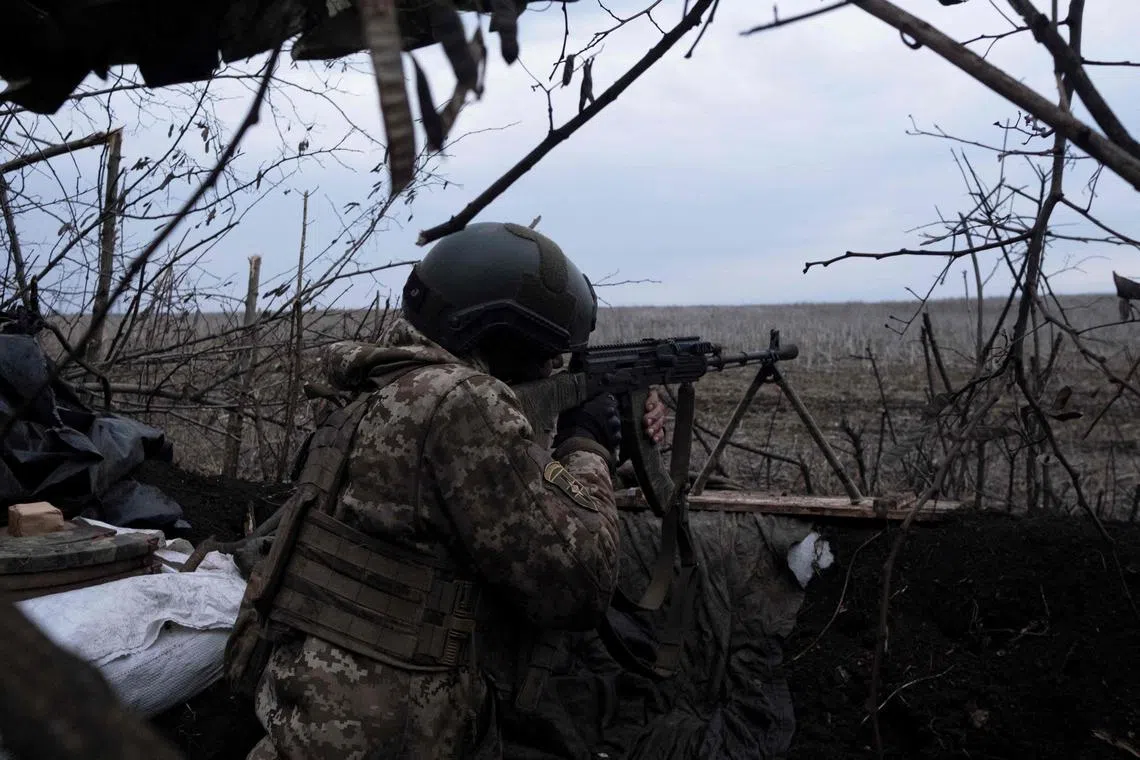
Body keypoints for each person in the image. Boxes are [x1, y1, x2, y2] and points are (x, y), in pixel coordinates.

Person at [242, 221, 666, 760]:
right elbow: (580, 582)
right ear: (504, 336)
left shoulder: (371, 388)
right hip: (397, 738)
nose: (553, 366)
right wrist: (589, 446)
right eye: (547, 355)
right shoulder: (462, 404)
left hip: (302, 715)